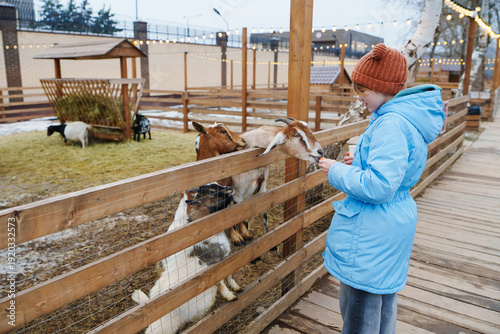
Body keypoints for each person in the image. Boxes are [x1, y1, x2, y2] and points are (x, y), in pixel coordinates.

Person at [318, 43, 445, 334]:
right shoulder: (405, 120)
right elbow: (395, 172)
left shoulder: (390, 124)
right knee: (381, 304)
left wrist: (336, 170)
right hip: (389, 224)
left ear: (381, 87)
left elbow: (380, 186)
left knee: (360, 311)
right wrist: (359, 163)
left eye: (363, 91)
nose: (359, 98)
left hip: (372, 233)